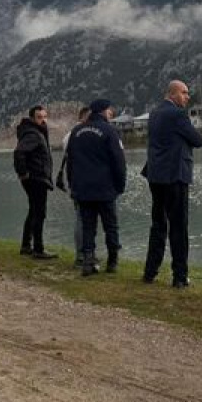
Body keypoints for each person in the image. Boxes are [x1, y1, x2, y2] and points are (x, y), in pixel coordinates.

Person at [142, 80, 202, 288]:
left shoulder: (154, 113)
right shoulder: (177, 114)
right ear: (173, 94)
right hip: (175, 176)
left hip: (156, 175)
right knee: (178, 227)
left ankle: (150, 271)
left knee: (158, 224)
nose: (188, 96)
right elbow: (197, 140)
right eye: (184, 92)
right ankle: (179, 276)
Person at [66, 98, 126, 276]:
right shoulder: (109, 130)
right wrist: (120, 185)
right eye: (109, 110)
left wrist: (72, 185)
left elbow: (71, 162)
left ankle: (87, 261)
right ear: (103, 111)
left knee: (88, 227)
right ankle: (112, 261)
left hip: (83, 188)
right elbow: (118, 161)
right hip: (105, 188)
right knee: (111, 226)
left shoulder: (76, 132)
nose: (111, 113)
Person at [13, 105, 57, 260]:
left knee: (33, 211)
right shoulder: (33, 133)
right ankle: (38, 249)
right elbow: (19, 153)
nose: (43, 120)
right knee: (39, 213)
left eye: (45, 117)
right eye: (39, 117)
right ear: (32, 118)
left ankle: (26, 246)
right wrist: (23, 173)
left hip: (37, 177)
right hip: (36, 178)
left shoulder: (36, 132)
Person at [56, 106, 91, 265]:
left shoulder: (68, 136)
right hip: (85, 182)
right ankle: (85, 254)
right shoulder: (81, 134)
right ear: (84, 117)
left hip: (74, 181)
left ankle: (81, 254)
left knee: (80, 218)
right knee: (84, 219)